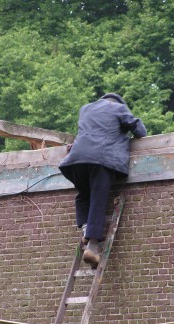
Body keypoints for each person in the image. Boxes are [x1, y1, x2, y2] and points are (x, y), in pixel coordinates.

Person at [59, 93, 147, 268]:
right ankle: (92, 244)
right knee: (98, 199)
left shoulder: (85, 109)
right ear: (118, 103)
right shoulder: (119, 109)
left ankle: (86, 230)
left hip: (76, 160)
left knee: (84, 194)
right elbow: (139, 131)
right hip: (101, 159)